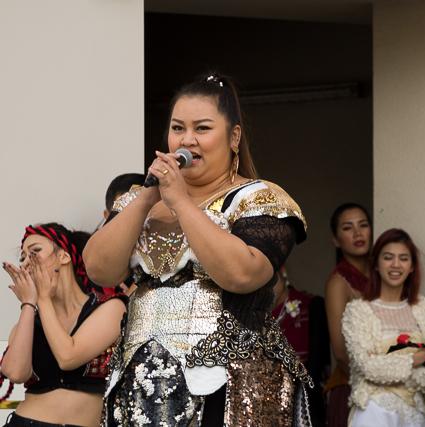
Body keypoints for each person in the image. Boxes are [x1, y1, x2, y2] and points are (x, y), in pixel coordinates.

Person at [83, 72, 312, 426]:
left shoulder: (257, 198)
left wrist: (181, 203)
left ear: (233, 137)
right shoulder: (140, 200)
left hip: (229, 382)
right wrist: (147, 198)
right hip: (139, 382)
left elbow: (242, 275)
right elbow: (99, 269)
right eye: (178, 128)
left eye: (202, 128)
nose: (187, 140)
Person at [1, 223, 126, 427]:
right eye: (22, 258)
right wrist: (29, 304)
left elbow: (68, 357)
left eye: (35, 251)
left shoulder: (111, 307)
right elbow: (15, 373)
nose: (26, 263)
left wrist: (43, 298)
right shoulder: (30, 318)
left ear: (64, 257)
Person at [342, 228, 425, 426]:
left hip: (415, 414)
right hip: (372, 412)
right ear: (376, 264)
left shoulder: (423, 308)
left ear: (412, 266)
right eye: (388, 257)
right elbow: (368, 367)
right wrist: (415, 359)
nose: (396, 264)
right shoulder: (358, 310)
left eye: (403, 258)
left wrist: (387, 364)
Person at [324, 203, 372, 426]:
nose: (357, 233)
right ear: (336, 240)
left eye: (363, 225)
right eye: (347, 228)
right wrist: (375, 383)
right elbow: (341, 353)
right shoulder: (338, 283)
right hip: (354, 387)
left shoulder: (382, 275)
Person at [271, 267, 331, 426]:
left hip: (304, 403)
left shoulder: (312, 305)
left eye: (271, 277)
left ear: (282, 271)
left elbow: (317, 367)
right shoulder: (252, 315)